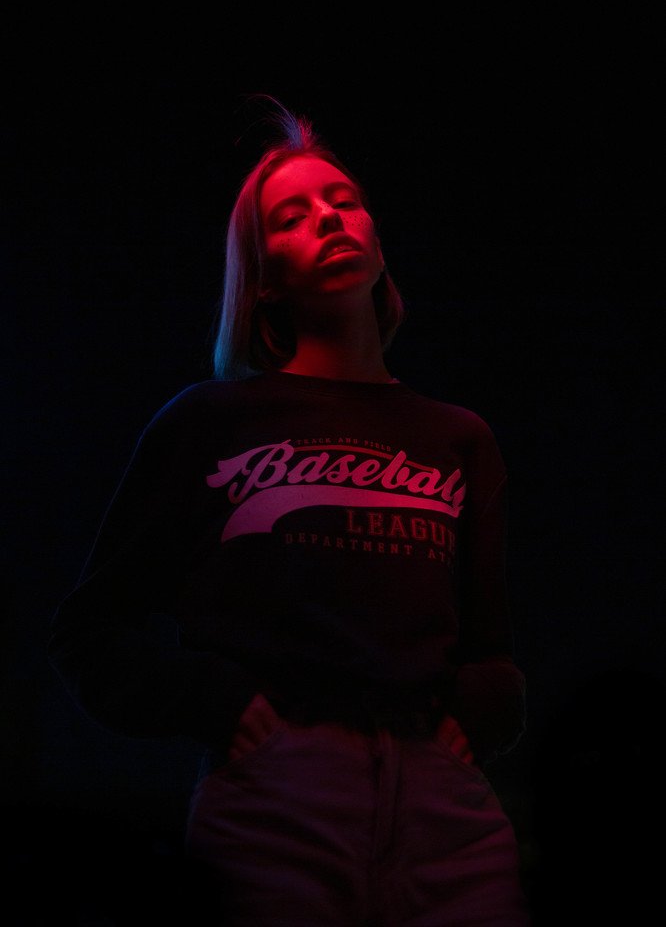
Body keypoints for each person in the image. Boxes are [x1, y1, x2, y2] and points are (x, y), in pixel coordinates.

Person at [48, 95, 530, 925]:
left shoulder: (460, 439)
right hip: (277, 800)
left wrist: (487, 705)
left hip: (446, 814)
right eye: (293, 216)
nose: (329, 219)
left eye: (344, 202)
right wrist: (218, 703)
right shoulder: (209, 423)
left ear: (377, 238)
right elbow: (91, 630)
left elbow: (487, 643)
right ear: (263, 275)